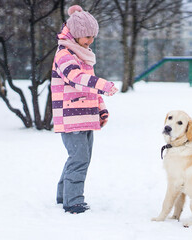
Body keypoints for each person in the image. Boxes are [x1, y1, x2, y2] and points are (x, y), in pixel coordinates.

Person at [51, 5, 118, 214]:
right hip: (71, 116)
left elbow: (89, 89)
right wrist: (103, 84)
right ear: (77, 34)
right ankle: (73, 201)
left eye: (93, 37)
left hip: (85, 115)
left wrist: (101, 109)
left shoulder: (83, 55)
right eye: (87, 36)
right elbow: (77, 79)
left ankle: (64, 195)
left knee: (80, 158)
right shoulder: (64, 54)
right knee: (79, 158)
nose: (90, 41)